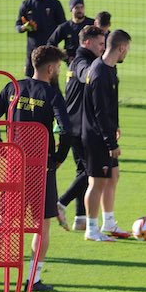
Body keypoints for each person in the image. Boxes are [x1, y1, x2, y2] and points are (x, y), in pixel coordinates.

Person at [0, 45, 72, 292]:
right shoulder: (52, 94)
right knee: (42, 223)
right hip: (41, 168)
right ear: (51, 68)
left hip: (15, 165)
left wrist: (1, 148)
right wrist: (58, 157)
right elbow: (66, 130)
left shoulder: (12, 87)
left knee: (3, 219)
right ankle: (33, 279)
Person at [82, 29, 132, 241]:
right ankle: (91, 229)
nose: (127, 53)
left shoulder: (110, 69)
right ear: (121, 48)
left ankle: (109, 222)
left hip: (106, 133)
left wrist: (116, 125)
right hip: (96, 136)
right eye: (127, 49)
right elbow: (101, 113)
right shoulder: (101, 73)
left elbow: (111, 105)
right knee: (97, 182)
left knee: (113, 176)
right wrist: (110, 142)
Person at [57, 25, 106, 232]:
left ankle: (80, 218)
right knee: (90, 171)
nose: (103, 48)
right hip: (79, 126)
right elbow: (84, 73)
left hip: (73, 124)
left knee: (82, 170)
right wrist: (98, 71)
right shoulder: (82, 61)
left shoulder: (79, 59)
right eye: (100, 44)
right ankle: (60, 203)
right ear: (87, 42)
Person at [16, 0, 66, 78]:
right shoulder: (26, 5)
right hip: (33, 50)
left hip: (50, 49)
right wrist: (24, 27)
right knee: (31, 78)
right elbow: (17, 26)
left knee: (52, 80)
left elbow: (63, 26)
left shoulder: (54, 4)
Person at [47, 0, 92, 65]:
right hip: (72, 66)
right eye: (77, 8)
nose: (80, 10)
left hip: (90, 63)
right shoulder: (65, 27)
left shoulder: (92, 24)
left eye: (82, 7)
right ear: (71, 9)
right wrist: (64, 57)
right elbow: (51, 43)